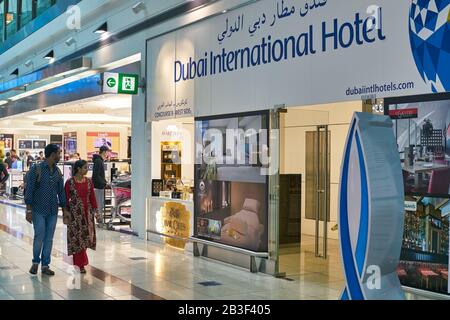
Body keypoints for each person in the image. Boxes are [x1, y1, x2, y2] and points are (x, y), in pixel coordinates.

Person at [25, 144, 67, 276]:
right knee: (39, 237)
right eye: (59, 153)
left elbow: (61, 192)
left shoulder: (57, 171)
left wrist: (65, 209)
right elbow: (29, 190)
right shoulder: (36, 169)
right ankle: (35, 263)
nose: (60, 156)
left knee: (49, 239)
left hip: (52, 211)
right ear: (53, 154)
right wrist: (29, 210)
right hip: (38, 210)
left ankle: (45, 265)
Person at [64, 160, 99, 273]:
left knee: (85, 237)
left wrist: (96, 211)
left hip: (87, 213)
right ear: (78, 169)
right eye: (85, 167)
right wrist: (66, 213)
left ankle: (81, 263)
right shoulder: (70, 182)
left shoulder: (89, 182)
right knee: (76, 238)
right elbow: (65, 199)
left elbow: (92, 197)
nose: (87, 169)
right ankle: (80, 264)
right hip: (75, 214)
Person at [92, 146, 109, 223]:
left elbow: (99, 175)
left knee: (99, 204)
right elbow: (96, 175)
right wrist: (103, 183)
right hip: (98, 187)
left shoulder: (99, 160)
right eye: (107, 152)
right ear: (104, 152)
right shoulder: (98, 161)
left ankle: (99, 220)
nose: (107, 154)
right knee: (99, 205)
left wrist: (104, 181)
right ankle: (99, 220)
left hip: (98, 186)